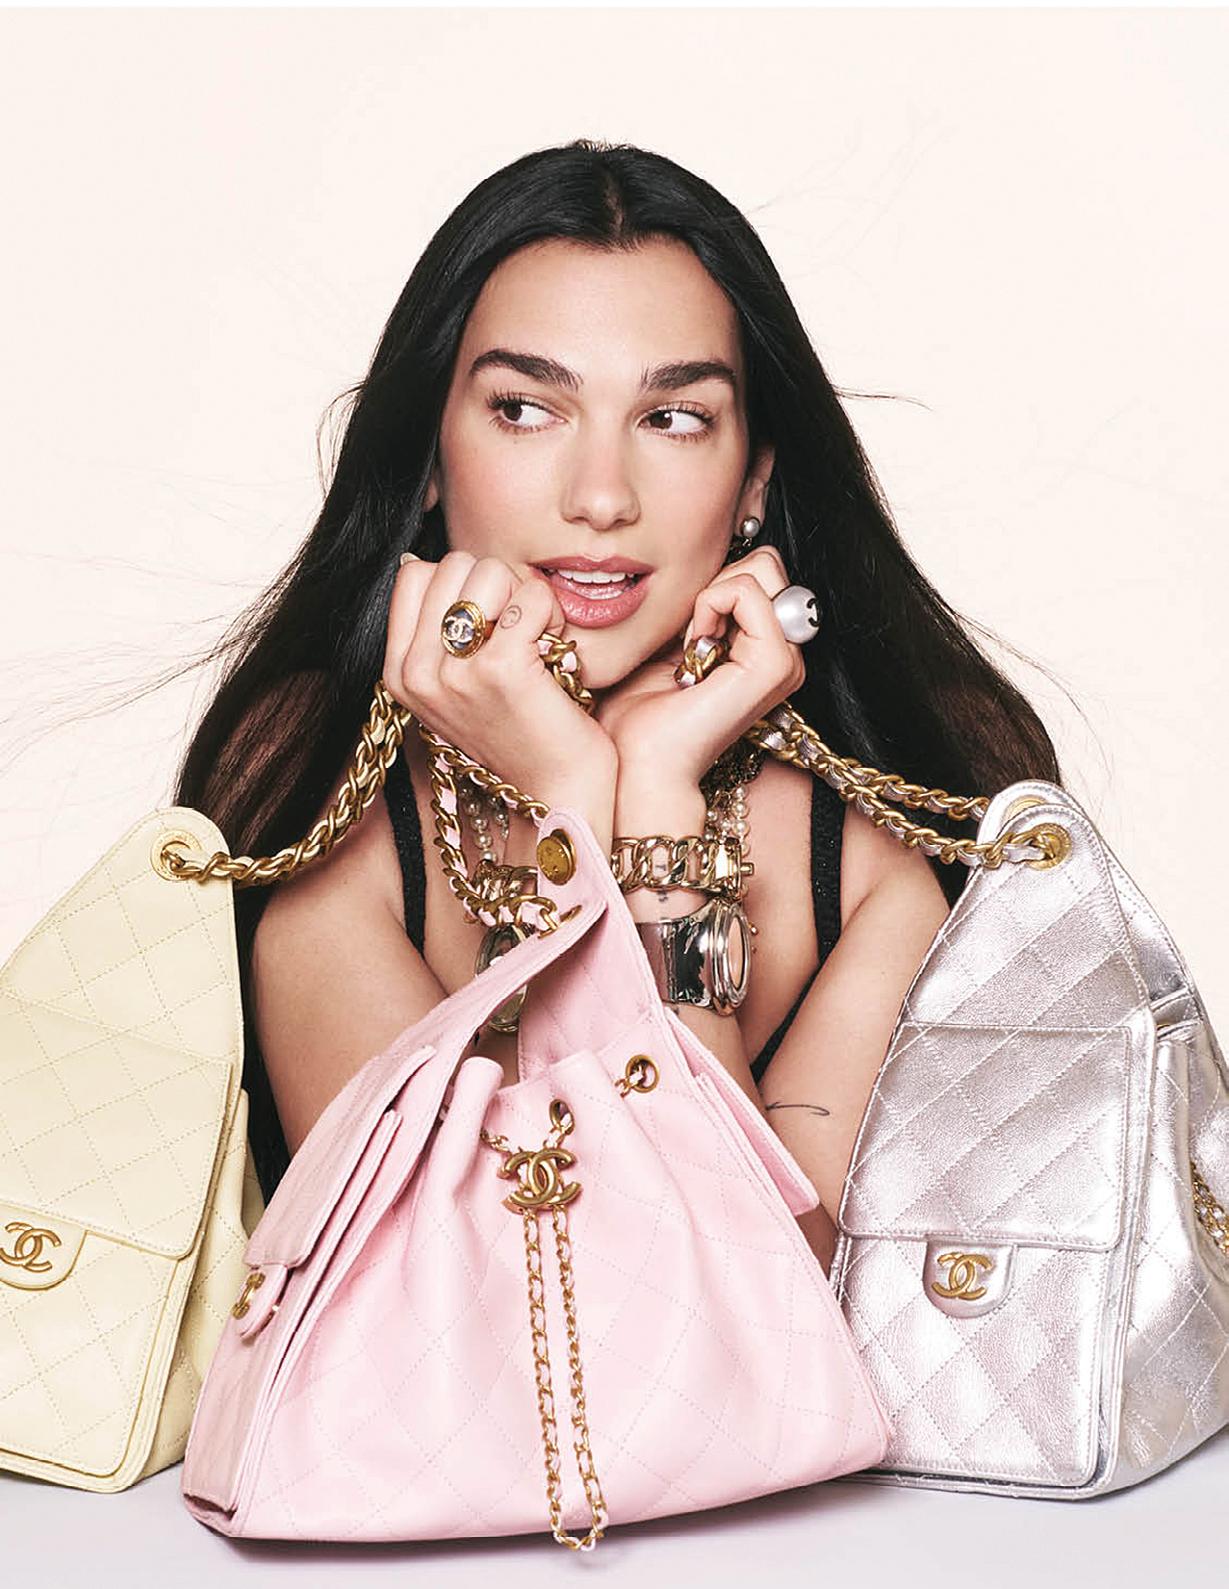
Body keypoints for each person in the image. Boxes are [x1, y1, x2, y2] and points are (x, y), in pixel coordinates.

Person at [174, 139, 1061, 1274]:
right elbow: (469, 1292)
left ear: (752, 477)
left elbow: (776, 1313)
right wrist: (573, 799)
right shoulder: (317, 768)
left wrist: (656, 820)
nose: (600, 497)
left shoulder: (886, 810)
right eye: (524, 409)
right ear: (429, 457)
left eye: (673, 417)